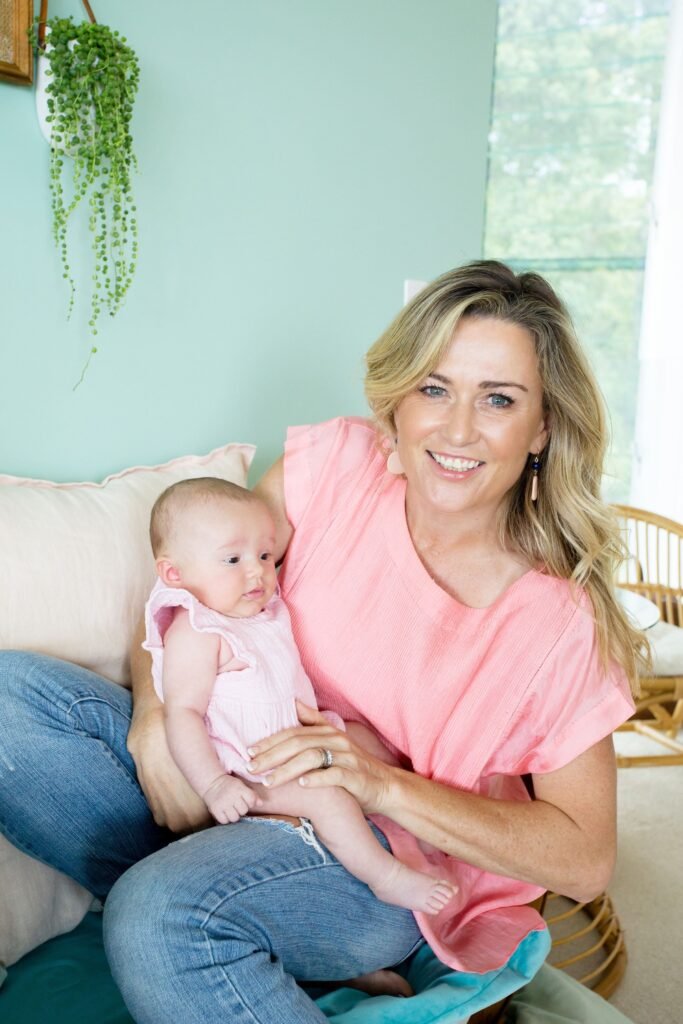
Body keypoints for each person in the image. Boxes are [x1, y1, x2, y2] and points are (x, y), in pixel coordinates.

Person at [0, 261, 642, 1024]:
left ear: (540, 427)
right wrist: (153, 718)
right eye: (434, 388)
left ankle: (228, 923)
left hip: (373, 853)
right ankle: (252, 934)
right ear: (399, 398)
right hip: (233, 773)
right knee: (11, 704)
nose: (457, 429)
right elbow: (187, 597)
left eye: (497, 399)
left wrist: (377, 783)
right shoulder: (334, 470)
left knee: (157, 911)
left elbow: (583, 859)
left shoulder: (556, 624)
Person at [143, 476, 456, 914]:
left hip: (300, 739)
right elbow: (183, 713)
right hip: (254, 771)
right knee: (328, 799)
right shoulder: (197, 630)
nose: (256, 571)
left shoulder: (257, 609)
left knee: (367, 741)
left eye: (265, 555)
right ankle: (384, 876)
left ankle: (419, 823)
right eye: (232, 559)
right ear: (175, 575)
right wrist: (215, 785)